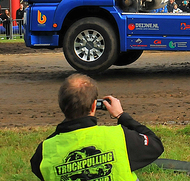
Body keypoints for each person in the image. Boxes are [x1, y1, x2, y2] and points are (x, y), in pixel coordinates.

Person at [31, 74, 163, 181]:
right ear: (94, 106)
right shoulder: (120, 136)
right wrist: (121, 116)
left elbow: (38, 170)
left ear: (61, 106)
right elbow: (155, 145)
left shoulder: (45, 150)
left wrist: (63, 129)